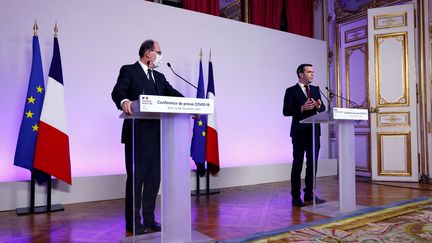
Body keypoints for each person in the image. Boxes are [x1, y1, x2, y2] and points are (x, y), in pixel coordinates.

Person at [111, 39, 183, 234]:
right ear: (148, 53)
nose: (161, 56)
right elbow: (118, 91)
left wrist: (191, 105)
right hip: (137, 135)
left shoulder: (159, 77)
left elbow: (172, 93)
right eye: (159, 52)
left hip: (158, 135)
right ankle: (133, 222)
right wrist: (124, 100)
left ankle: (149, 219)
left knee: (153, 179)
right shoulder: (129, 70)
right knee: (136, 179)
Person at [282, 64, 326, 207]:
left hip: (314, 131)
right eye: (309, 72)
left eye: (313, 72)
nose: (312, 74)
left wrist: (319, 106)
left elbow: (323, 108)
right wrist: (302, 108)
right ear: (301, 74)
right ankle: (295, 196)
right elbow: (286, 111)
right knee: (298, 164)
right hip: (299, 132)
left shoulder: (315, 89)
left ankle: (309, 194)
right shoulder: (291, 91)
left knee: (312, 164)